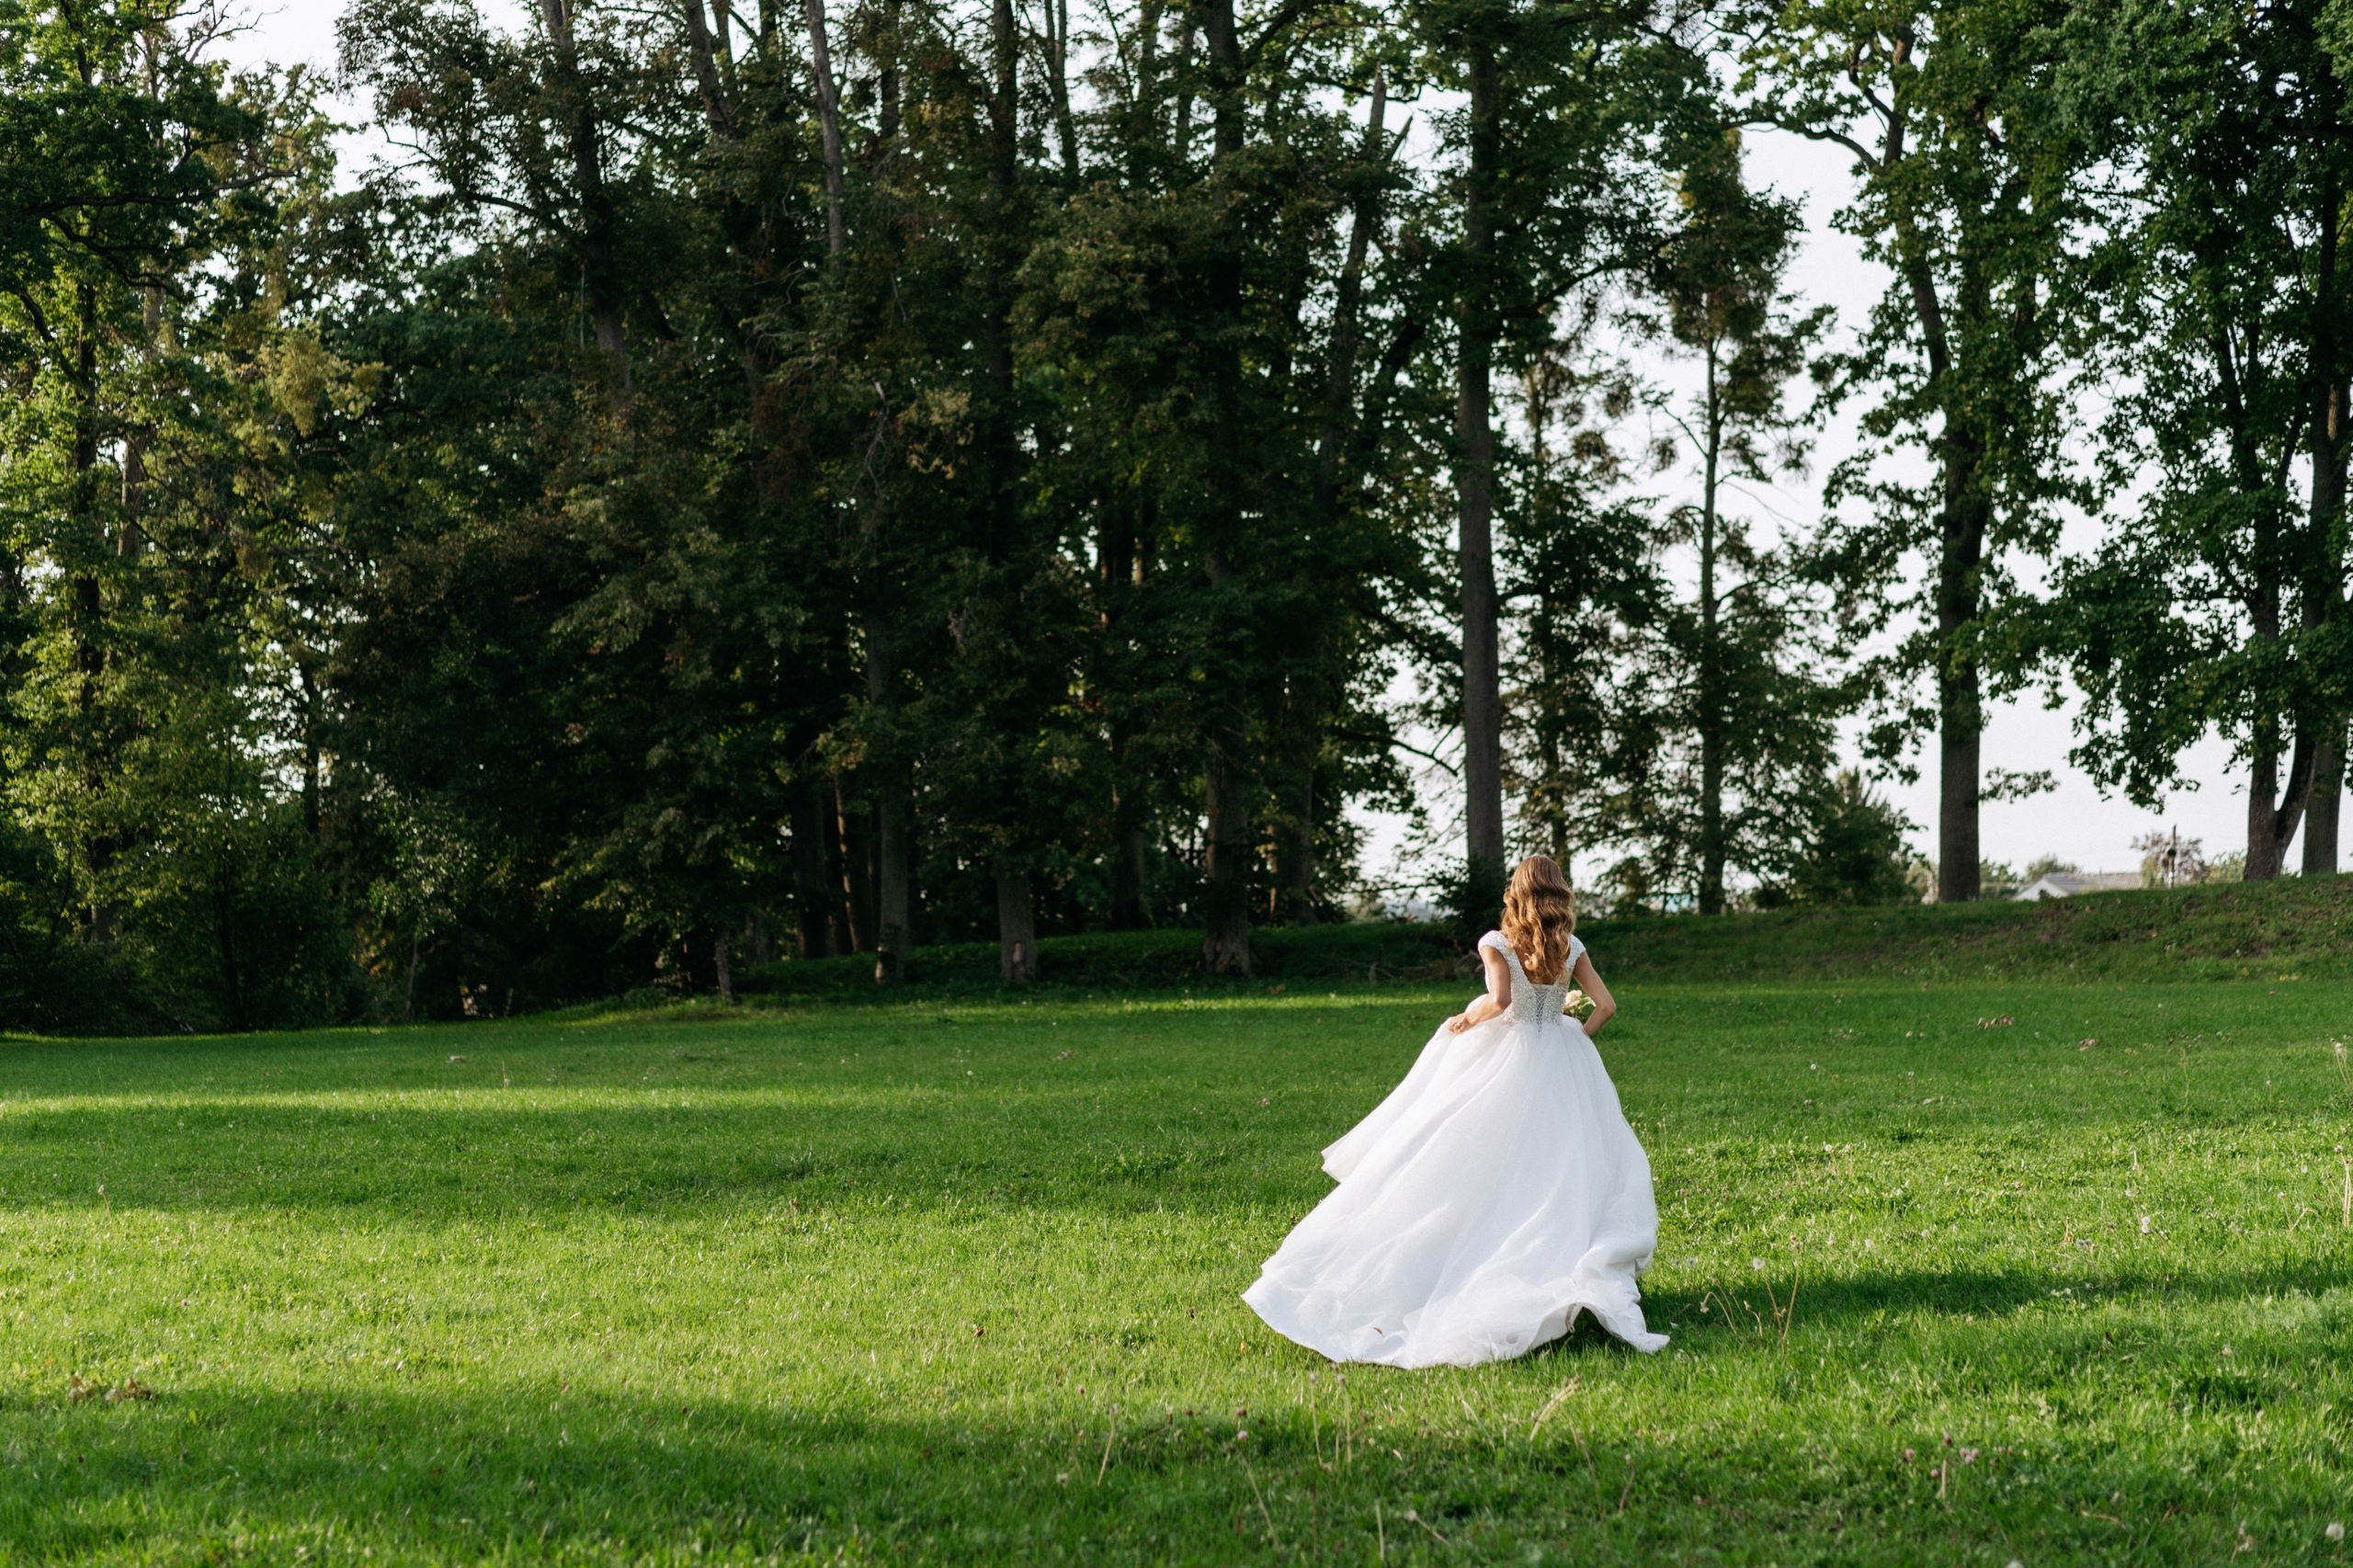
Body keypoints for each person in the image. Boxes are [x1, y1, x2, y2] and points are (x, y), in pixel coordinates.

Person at [1243, 854, 1666, 1366]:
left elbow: (1501, 1000)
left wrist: (1466, 1019)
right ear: (1559, 894)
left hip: (1510, 1060)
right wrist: (1574, 1033)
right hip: (1562, 1063)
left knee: (1472, 1157)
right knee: (1562, 1165)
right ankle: (1560, 1258)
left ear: (1517, 893)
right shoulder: (1571, 947)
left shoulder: (1498, 943)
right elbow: (1607, 1006)